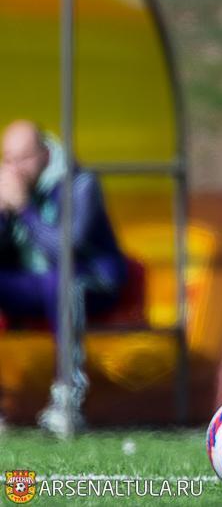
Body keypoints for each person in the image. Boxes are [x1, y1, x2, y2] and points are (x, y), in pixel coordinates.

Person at [0, 119, 127, 436]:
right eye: (7, 159)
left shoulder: (80, 183)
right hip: (37, 286)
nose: (14, 169)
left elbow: (67, 249)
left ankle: (67, 400)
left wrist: (24, 209)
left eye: (22, 159)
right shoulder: (11, 189)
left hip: (92, 283)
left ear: (44, 153)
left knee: (61, 281)